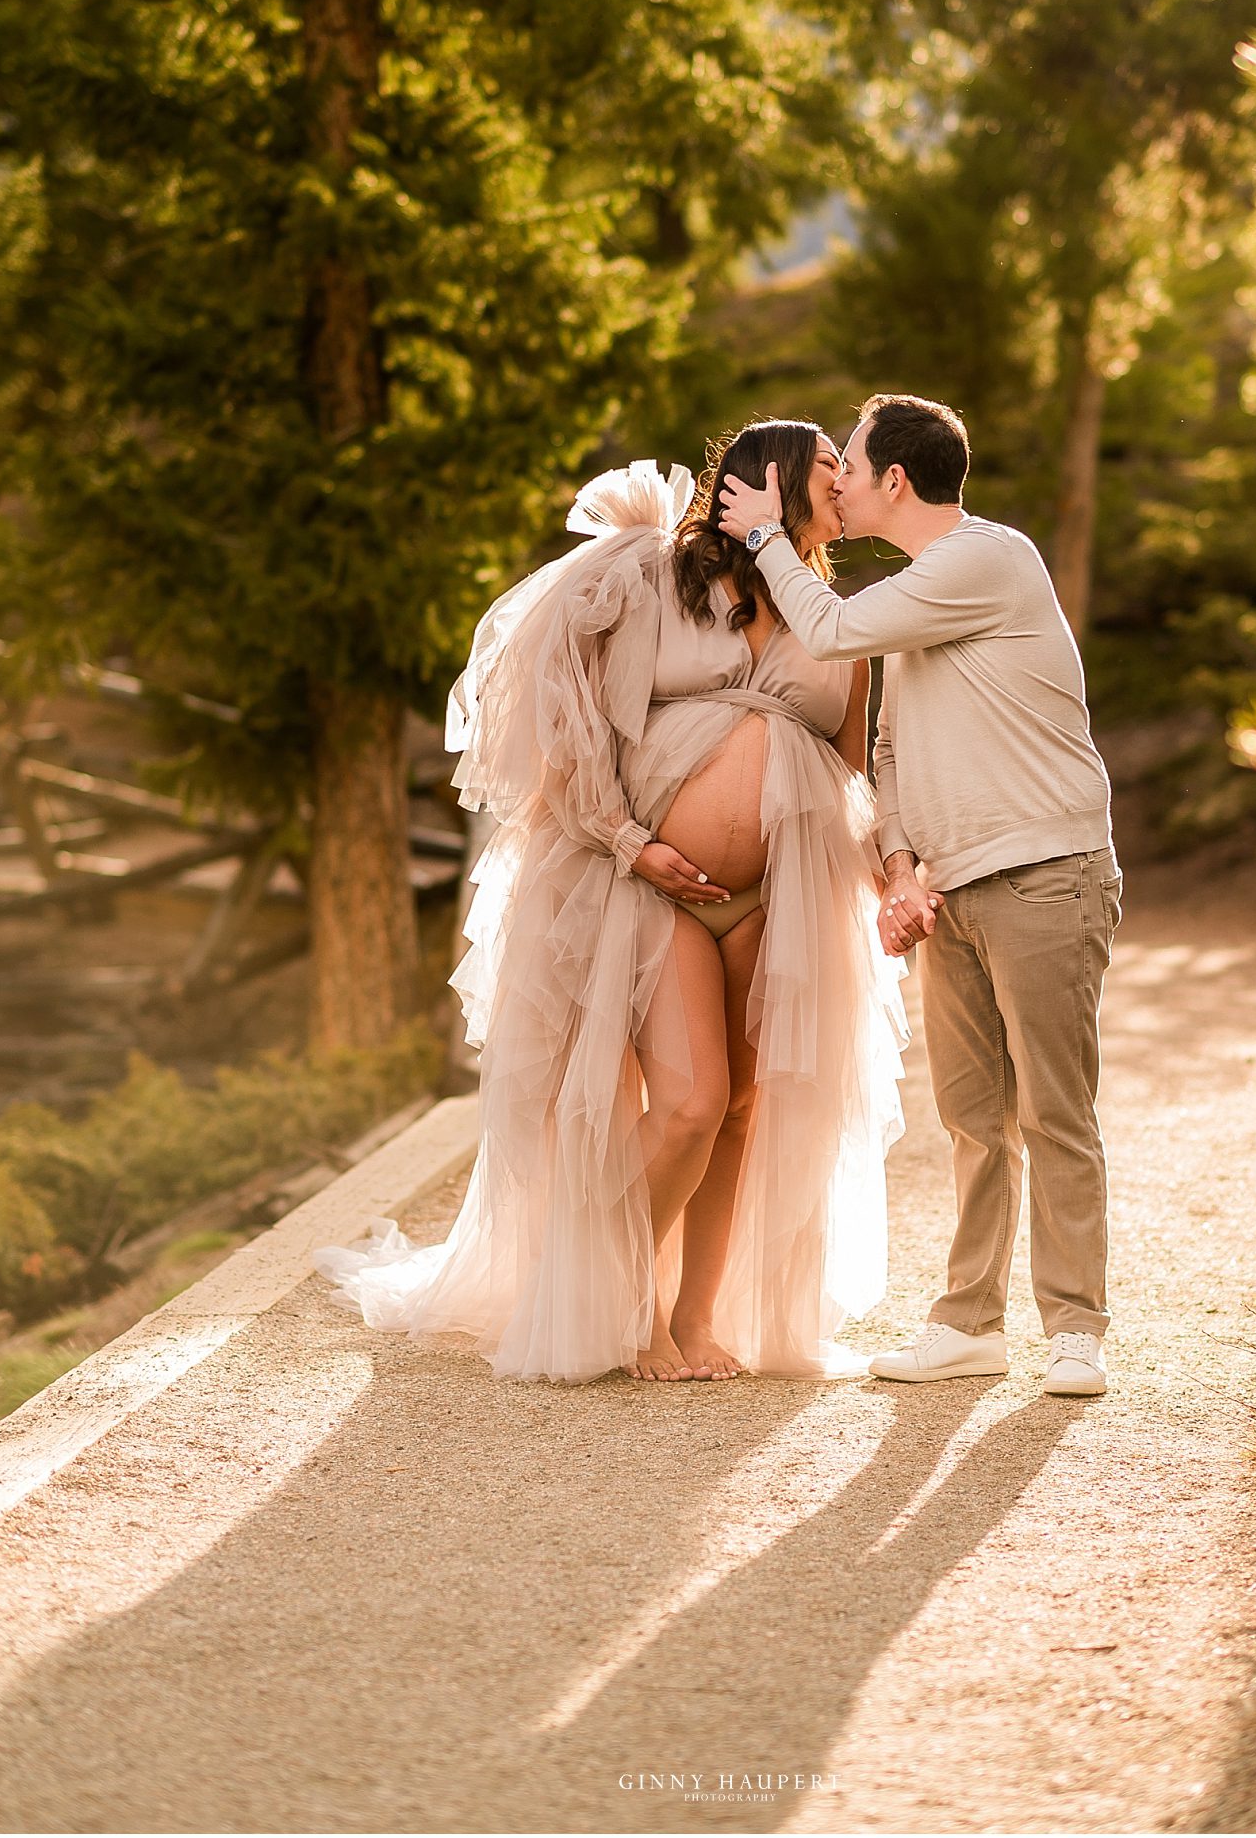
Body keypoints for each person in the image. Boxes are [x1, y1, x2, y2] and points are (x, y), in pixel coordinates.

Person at [315, 425, 906, 1385]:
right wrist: (632, 843)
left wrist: (894, 880)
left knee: (740, 1113)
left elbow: (853, 781)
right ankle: (609, 1295)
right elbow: (569, 724)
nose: (846, 481)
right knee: (689, 1107)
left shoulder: (838, 626)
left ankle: (693, 1316)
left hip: (778, 900)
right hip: (648, 885)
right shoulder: (655, 581)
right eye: (831, 465)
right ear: (773, 480)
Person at [719, 392, 1121, 1397]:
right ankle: (970, 1324)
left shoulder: (989, 559)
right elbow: (890, 751)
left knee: (1054, 1113)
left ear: (894, 480)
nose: (839, 485)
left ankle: (1076, 1330)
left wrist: (764, 536)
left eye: (850, 467)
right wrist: (898, 866)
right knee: (974, 1118)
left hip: (1045, 874)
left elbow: (826, 628)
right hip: (952, 891)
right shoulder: (915, 597)